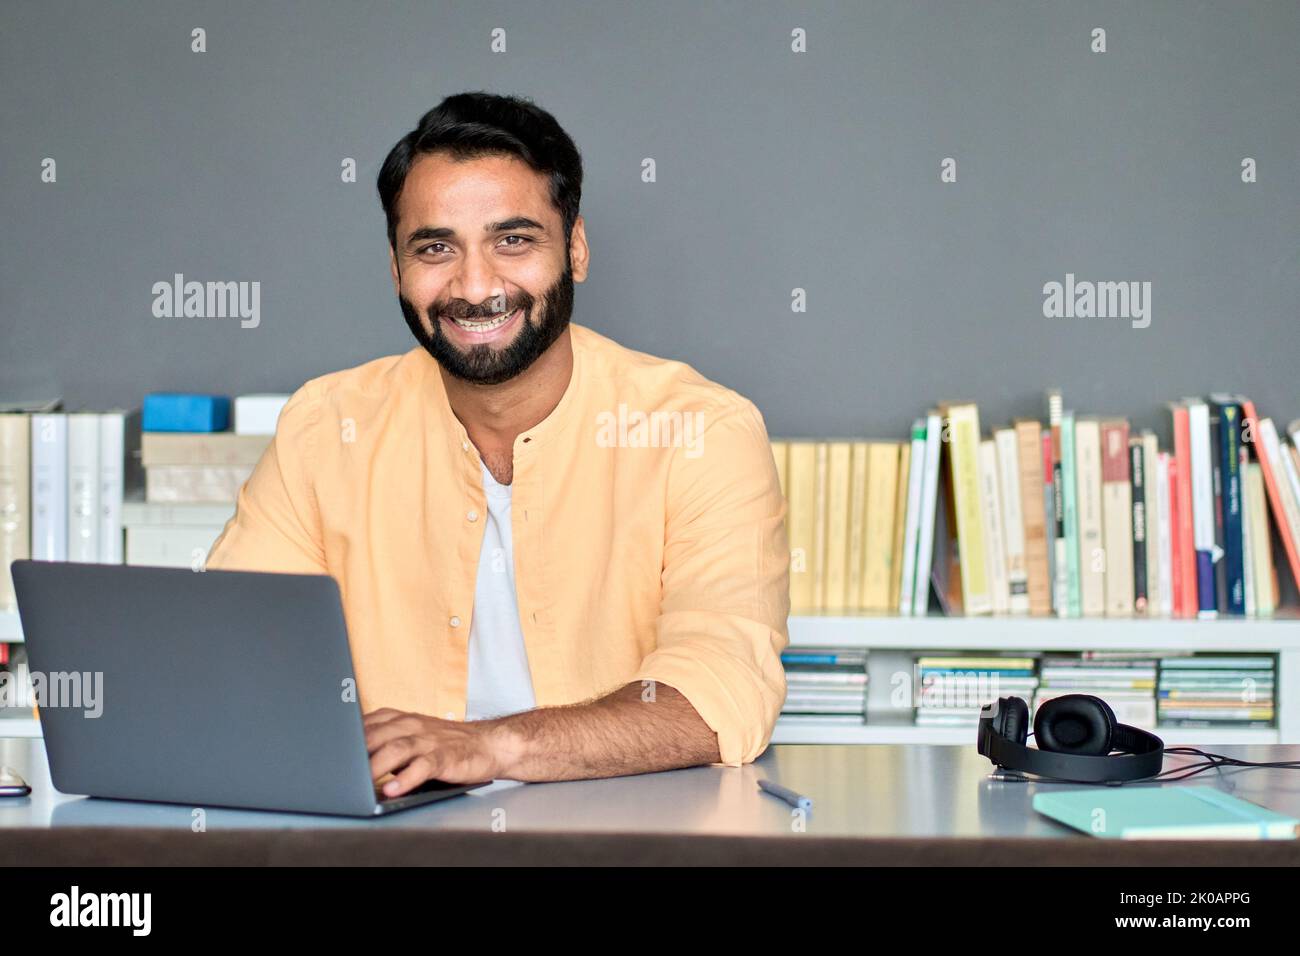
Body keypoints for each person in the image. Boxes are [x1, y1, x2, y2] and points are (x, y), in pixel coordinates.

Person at [206, 91, 789, 795]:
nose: (476, 286)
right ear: (395, 268)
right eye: (434, 248)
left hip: (618, 840)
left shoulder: (701, 432)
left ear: (574, 249)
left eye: (513, 240)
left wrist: (490, 746)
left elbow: (722, 696)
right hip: (387, 839)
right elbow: (233, 662)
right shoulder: (323, 426)